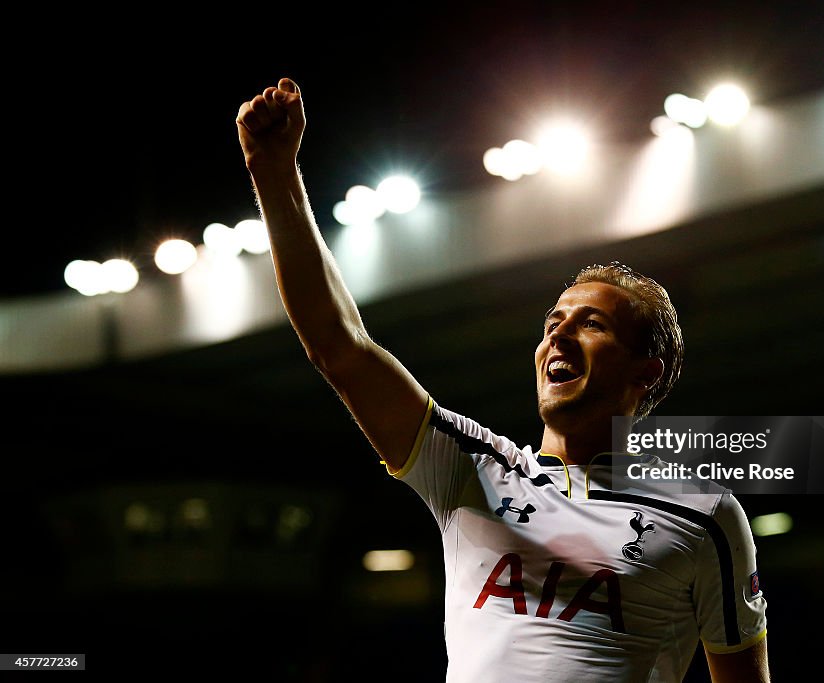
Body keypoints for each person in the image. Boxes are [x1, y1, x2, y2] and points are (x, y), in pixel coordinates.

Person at [236, 77, 770, 683]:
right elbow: (341, 345)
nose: (557, 339)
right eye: (552, 323)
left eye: (590, 324)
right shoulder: (470, 470)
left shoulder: (705, 517)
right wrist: (276, 175)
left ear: (645, 372)